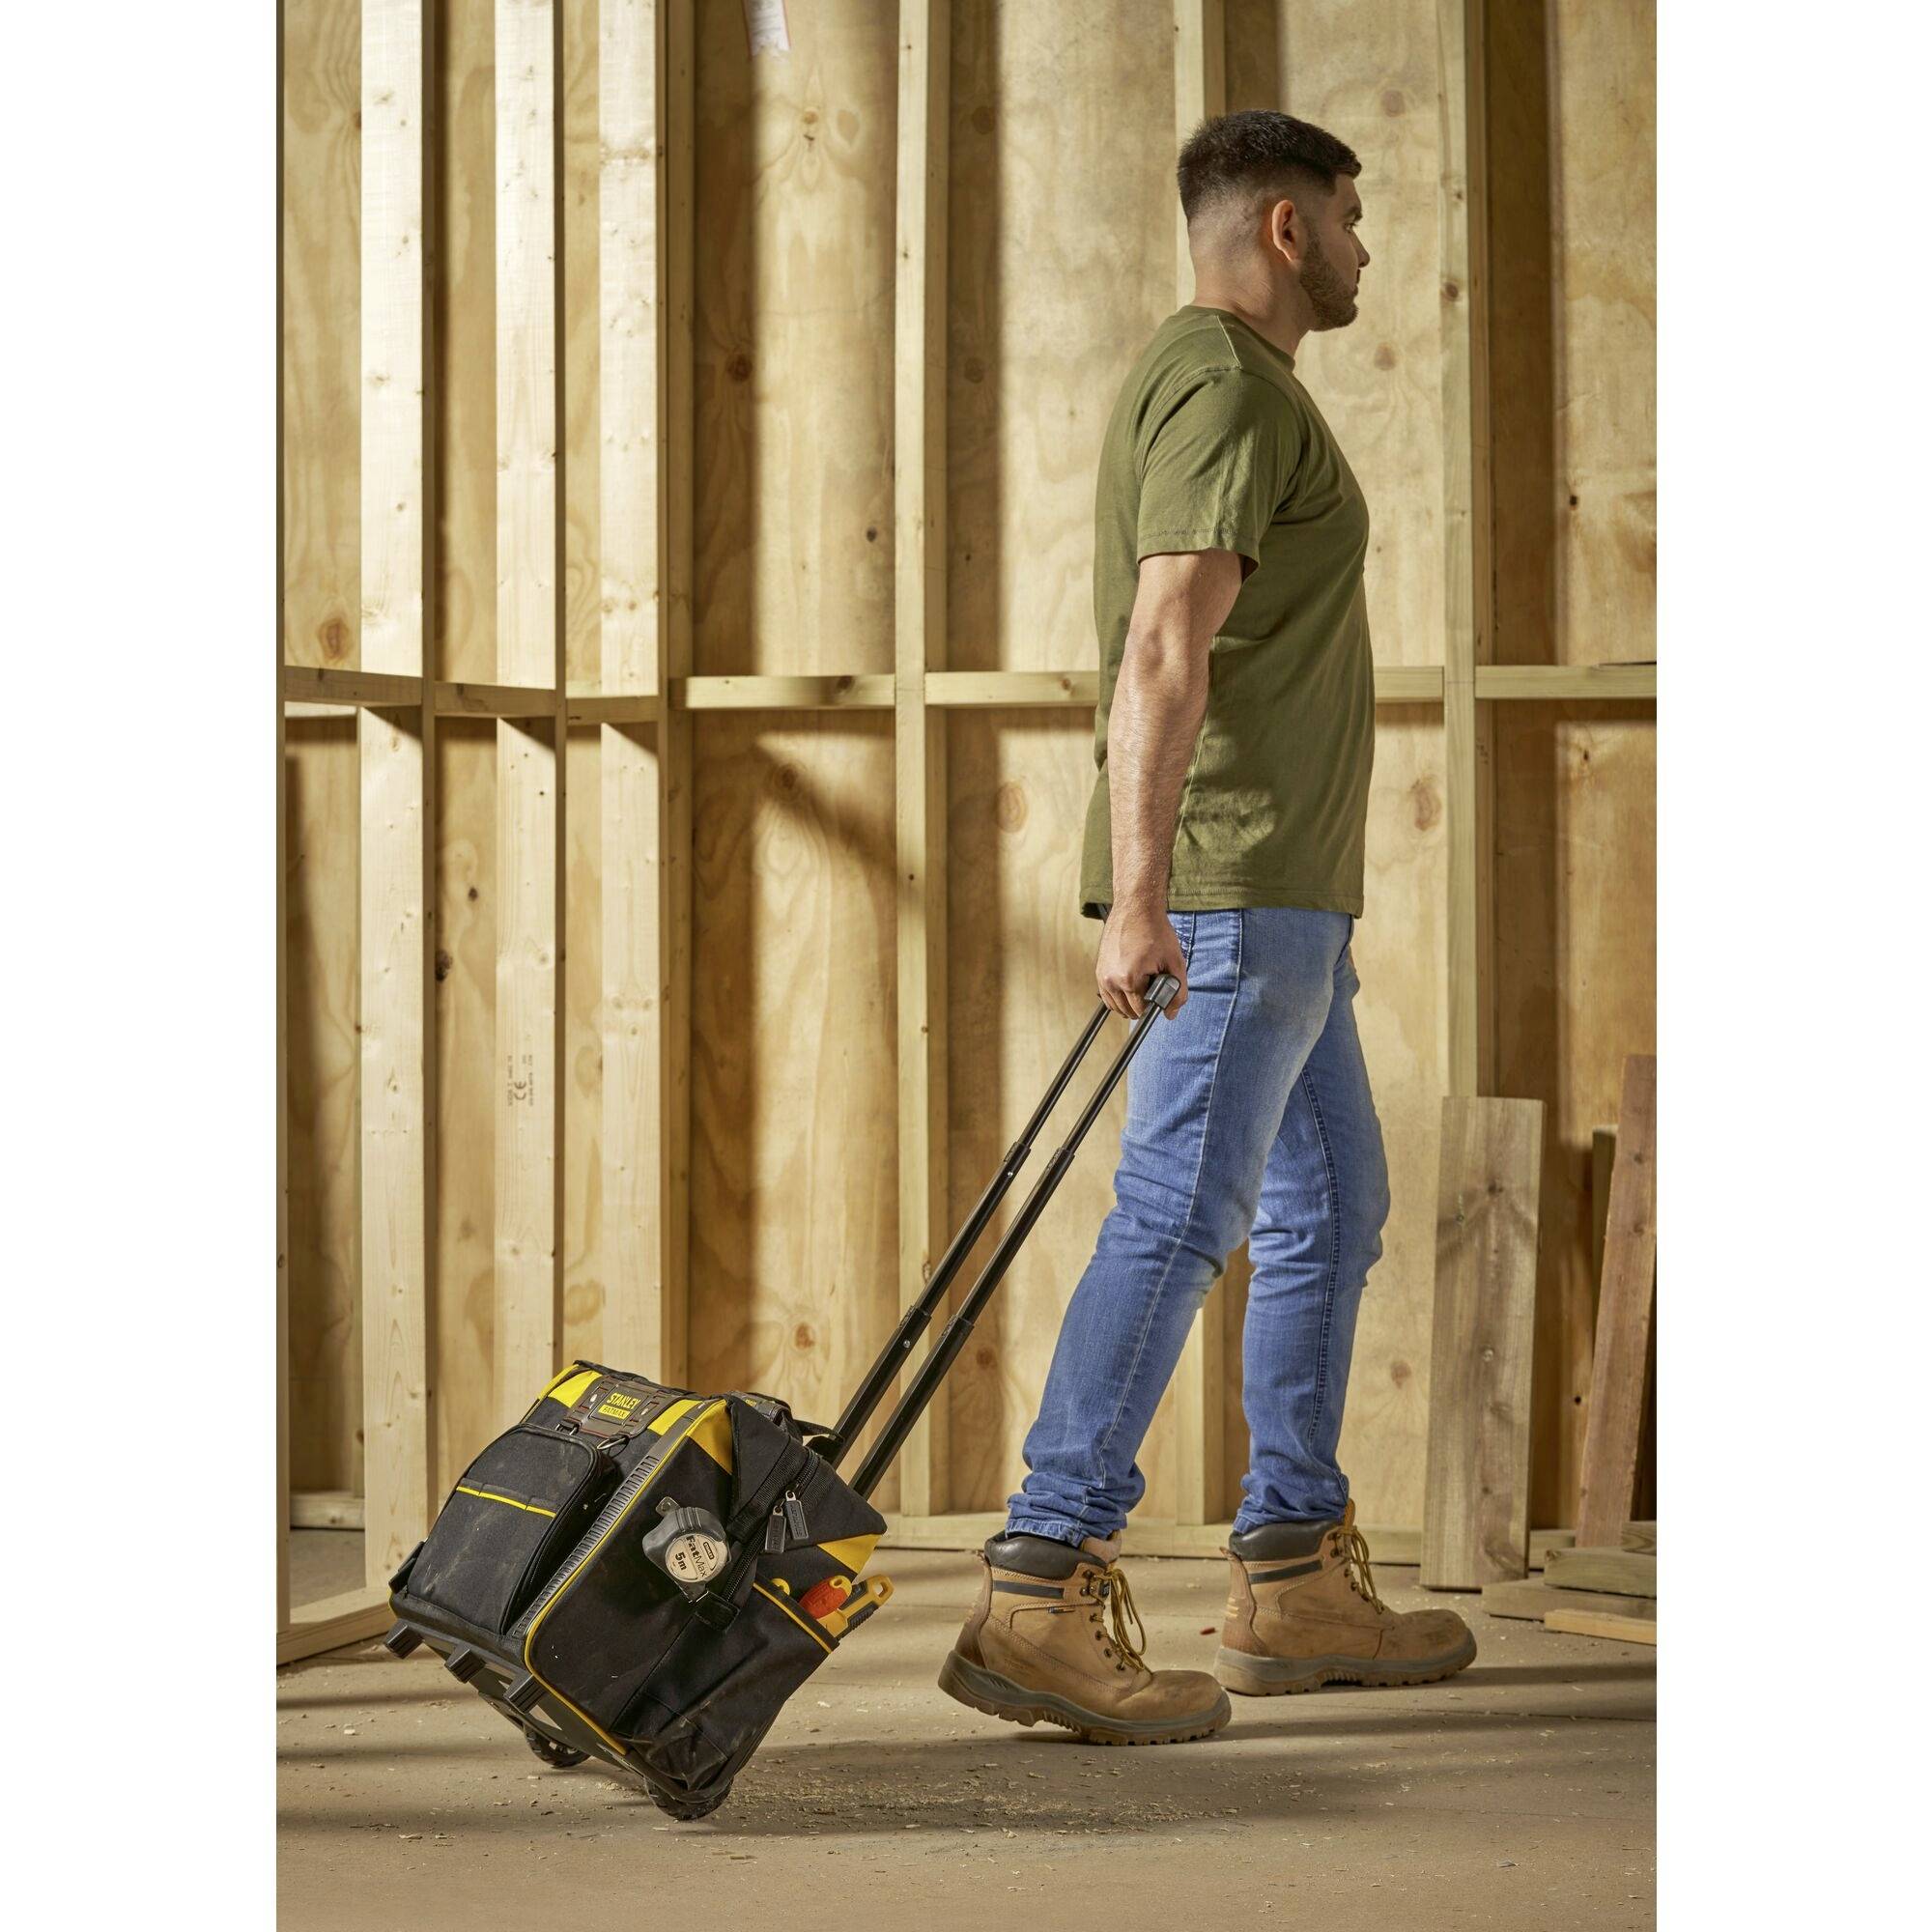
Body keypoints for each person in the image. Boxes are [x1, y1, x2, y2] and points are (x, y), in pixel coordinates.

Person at [938, 109, 1475, 1747]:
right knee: (1180, 1216)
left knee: (1335, 1206)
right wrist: (1153, 897)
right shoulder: (1231, 387)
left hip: (1283, 898)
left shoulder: (1230, 383)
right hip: (1234, 896)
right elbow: (1167, 640)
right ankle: (1039, 1584)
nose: (1373, 249)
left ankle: (1294, 1575)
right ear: (1289, 230)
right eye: (1355, 218)